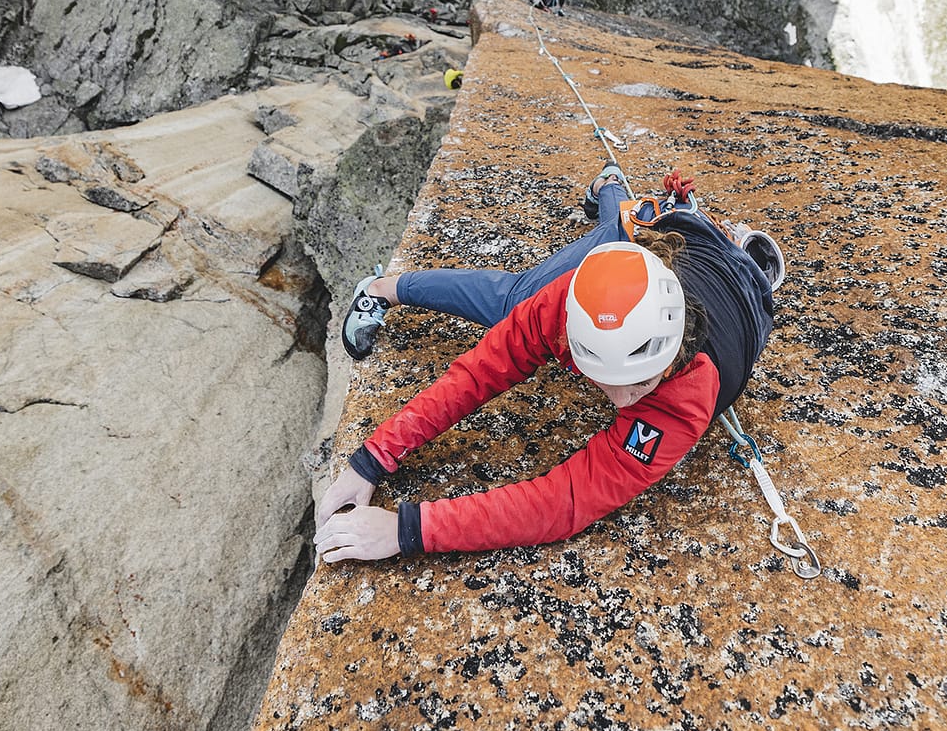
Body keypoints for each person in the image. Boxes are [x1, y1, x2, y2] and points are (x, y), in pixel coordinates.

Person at [314, 165, 785, 561]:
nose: (621, 401)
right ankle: (381, 287)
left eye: (638, 381)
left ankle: (645, 207)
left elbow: (566, 500)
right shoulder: (565, 304)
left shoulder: (686, 398)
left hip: (729, 284)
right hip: (669, 234)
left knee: (612, 237)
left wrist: (408, 530)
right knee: (519, 301)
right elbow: (481, 370)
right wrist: (373, 457)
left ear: (669, 359)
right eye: (602, 374)